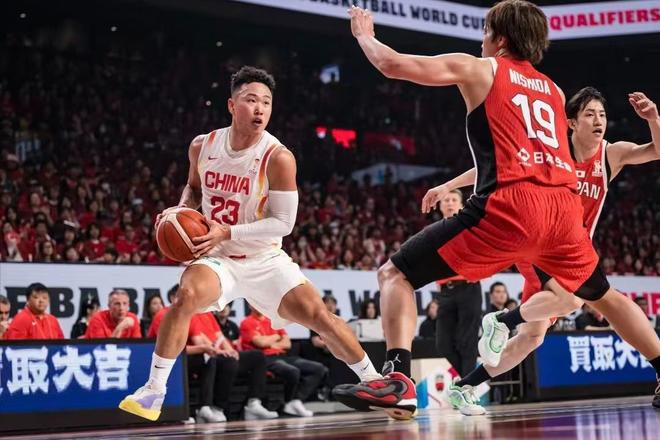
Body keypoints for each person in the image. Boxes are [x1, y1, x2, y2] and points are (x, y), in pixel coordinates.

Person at [334, 2, 612, 420]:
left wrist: (364, 36)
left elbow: (392, 64)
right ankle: (499, 332)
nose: (481, 39)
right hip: (561, 218)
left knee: (395, 274)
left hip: (506, 211)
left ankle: (396, 378)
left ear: (499, 38)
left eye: (484, 31)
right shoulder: (554, 92)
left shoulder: (482, 68)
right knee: (573, 301)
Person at [120, 66, 379, 421]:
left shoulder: (278, 157)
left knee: (319, 316)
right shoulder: (202, 145)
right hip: (218, 257)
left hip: (263, 257)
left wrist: (227, 231)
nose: (260, 109)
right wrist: (180, 212)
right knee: (185, 297)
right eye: (251, 100)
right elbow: (194, 188)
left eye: (266, 102)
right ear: (231, 105)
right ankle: (154, 391)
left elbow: (284, 224)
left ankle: (376, 383)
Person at [435, 87, 660, 414]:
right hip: (540, 242)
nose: (598, 121)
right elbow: (498, 166)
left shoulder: (612, 154)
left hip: (574, 252)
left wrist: (653, 118)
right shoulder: (551, 152)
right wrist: (449, 186)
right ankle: (502, 319)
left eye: (602, 114)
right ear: (571, 123)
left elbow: (656, 150)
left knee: (532, 337)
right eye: (589, 114)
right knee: (583, 300)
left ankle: (464, 386)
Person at [241, 306, 327, 417]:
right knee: (292, 371)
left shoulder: (272, 321)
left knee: (318, 369)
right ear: (249, 305)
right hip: (265, 359)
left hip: (283, 356)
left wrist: (269, 342)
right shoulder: (247, 322)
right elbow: (260, 343)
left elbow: (287, 344)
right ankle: (288, 401)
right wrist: (276, 336)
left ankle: (295, 400)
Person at [432, 189, 483, 377]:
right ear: (440, 206)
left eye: (454, 199)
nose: (450, 203)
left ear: (461, 204)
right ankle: (466, 380)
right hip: (445, 291)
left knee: (467, 341)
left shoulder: (471, 226)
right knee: (443, 344)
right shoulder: (435, 231)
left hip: (468, 286)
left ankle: (466, 385)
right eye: (446, 200)